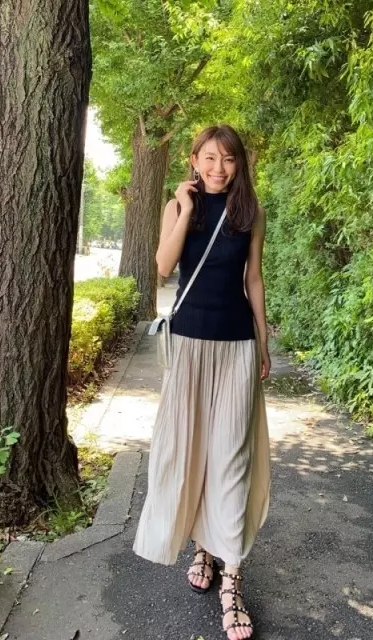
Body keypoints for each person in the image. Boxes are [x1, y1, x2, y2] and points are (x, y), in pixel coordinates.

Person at [133, 124, 271, 640]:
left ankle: (232, 579)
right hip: (189, 345)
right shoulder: (178, 207)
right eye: (209, 158)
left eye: (228, 159)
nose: (218, 168)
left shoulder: (251, 213)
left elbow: (253, 280)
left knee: (231, 458)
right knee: (189, 453)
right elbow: (163, 266)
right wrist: (187, 207)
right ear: (194, 160)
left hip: (236, 345)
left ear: (239, 164)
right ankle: (202, 548)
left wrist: (263, 341)